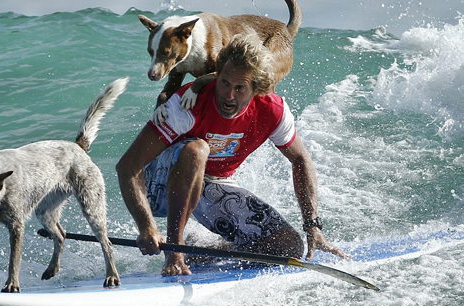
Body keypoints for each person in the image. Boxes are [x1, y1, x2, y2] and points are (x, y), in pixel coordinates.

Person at [116, 35, 349, 276]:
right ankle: (175, 250)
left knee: (286, 247)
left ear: (256, 89)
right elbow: (128, 166)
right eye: (224, 83)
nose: (228, 95)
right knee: (197, 150)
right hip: (162, 186)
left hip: (212, 185)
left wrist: (313, 227)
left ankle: (200, 253)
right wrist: (146, 226)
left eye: (240, 88)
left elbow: (301, 160)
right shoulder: (187, 106)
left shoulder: (273, 111)